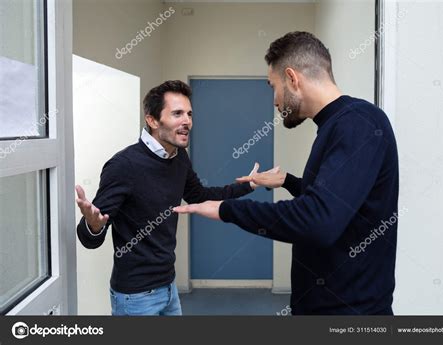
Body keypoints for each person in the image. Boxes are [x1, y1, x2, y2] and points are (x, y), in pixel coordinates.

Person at [174, 32, 399, 315]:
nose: (274, 101)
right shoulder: (338, 124)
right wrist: (288, 182)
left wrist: (227, 209)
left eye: (273, 87)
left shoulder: (357, 124)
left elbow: (319, 220)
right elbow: (339, 202)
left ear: (292, 78)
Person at [76, 80, 277, 315]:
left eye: (189, 114)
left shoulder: (178, 156)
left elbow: (199, 196)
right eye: (177, 113)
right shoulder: (124, 165)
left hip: (169, 287)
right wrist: (94, 226)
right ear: (152, 120)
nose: (187, 122)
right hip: (136, 296)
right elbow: (90, 237)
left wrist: (248, 186)